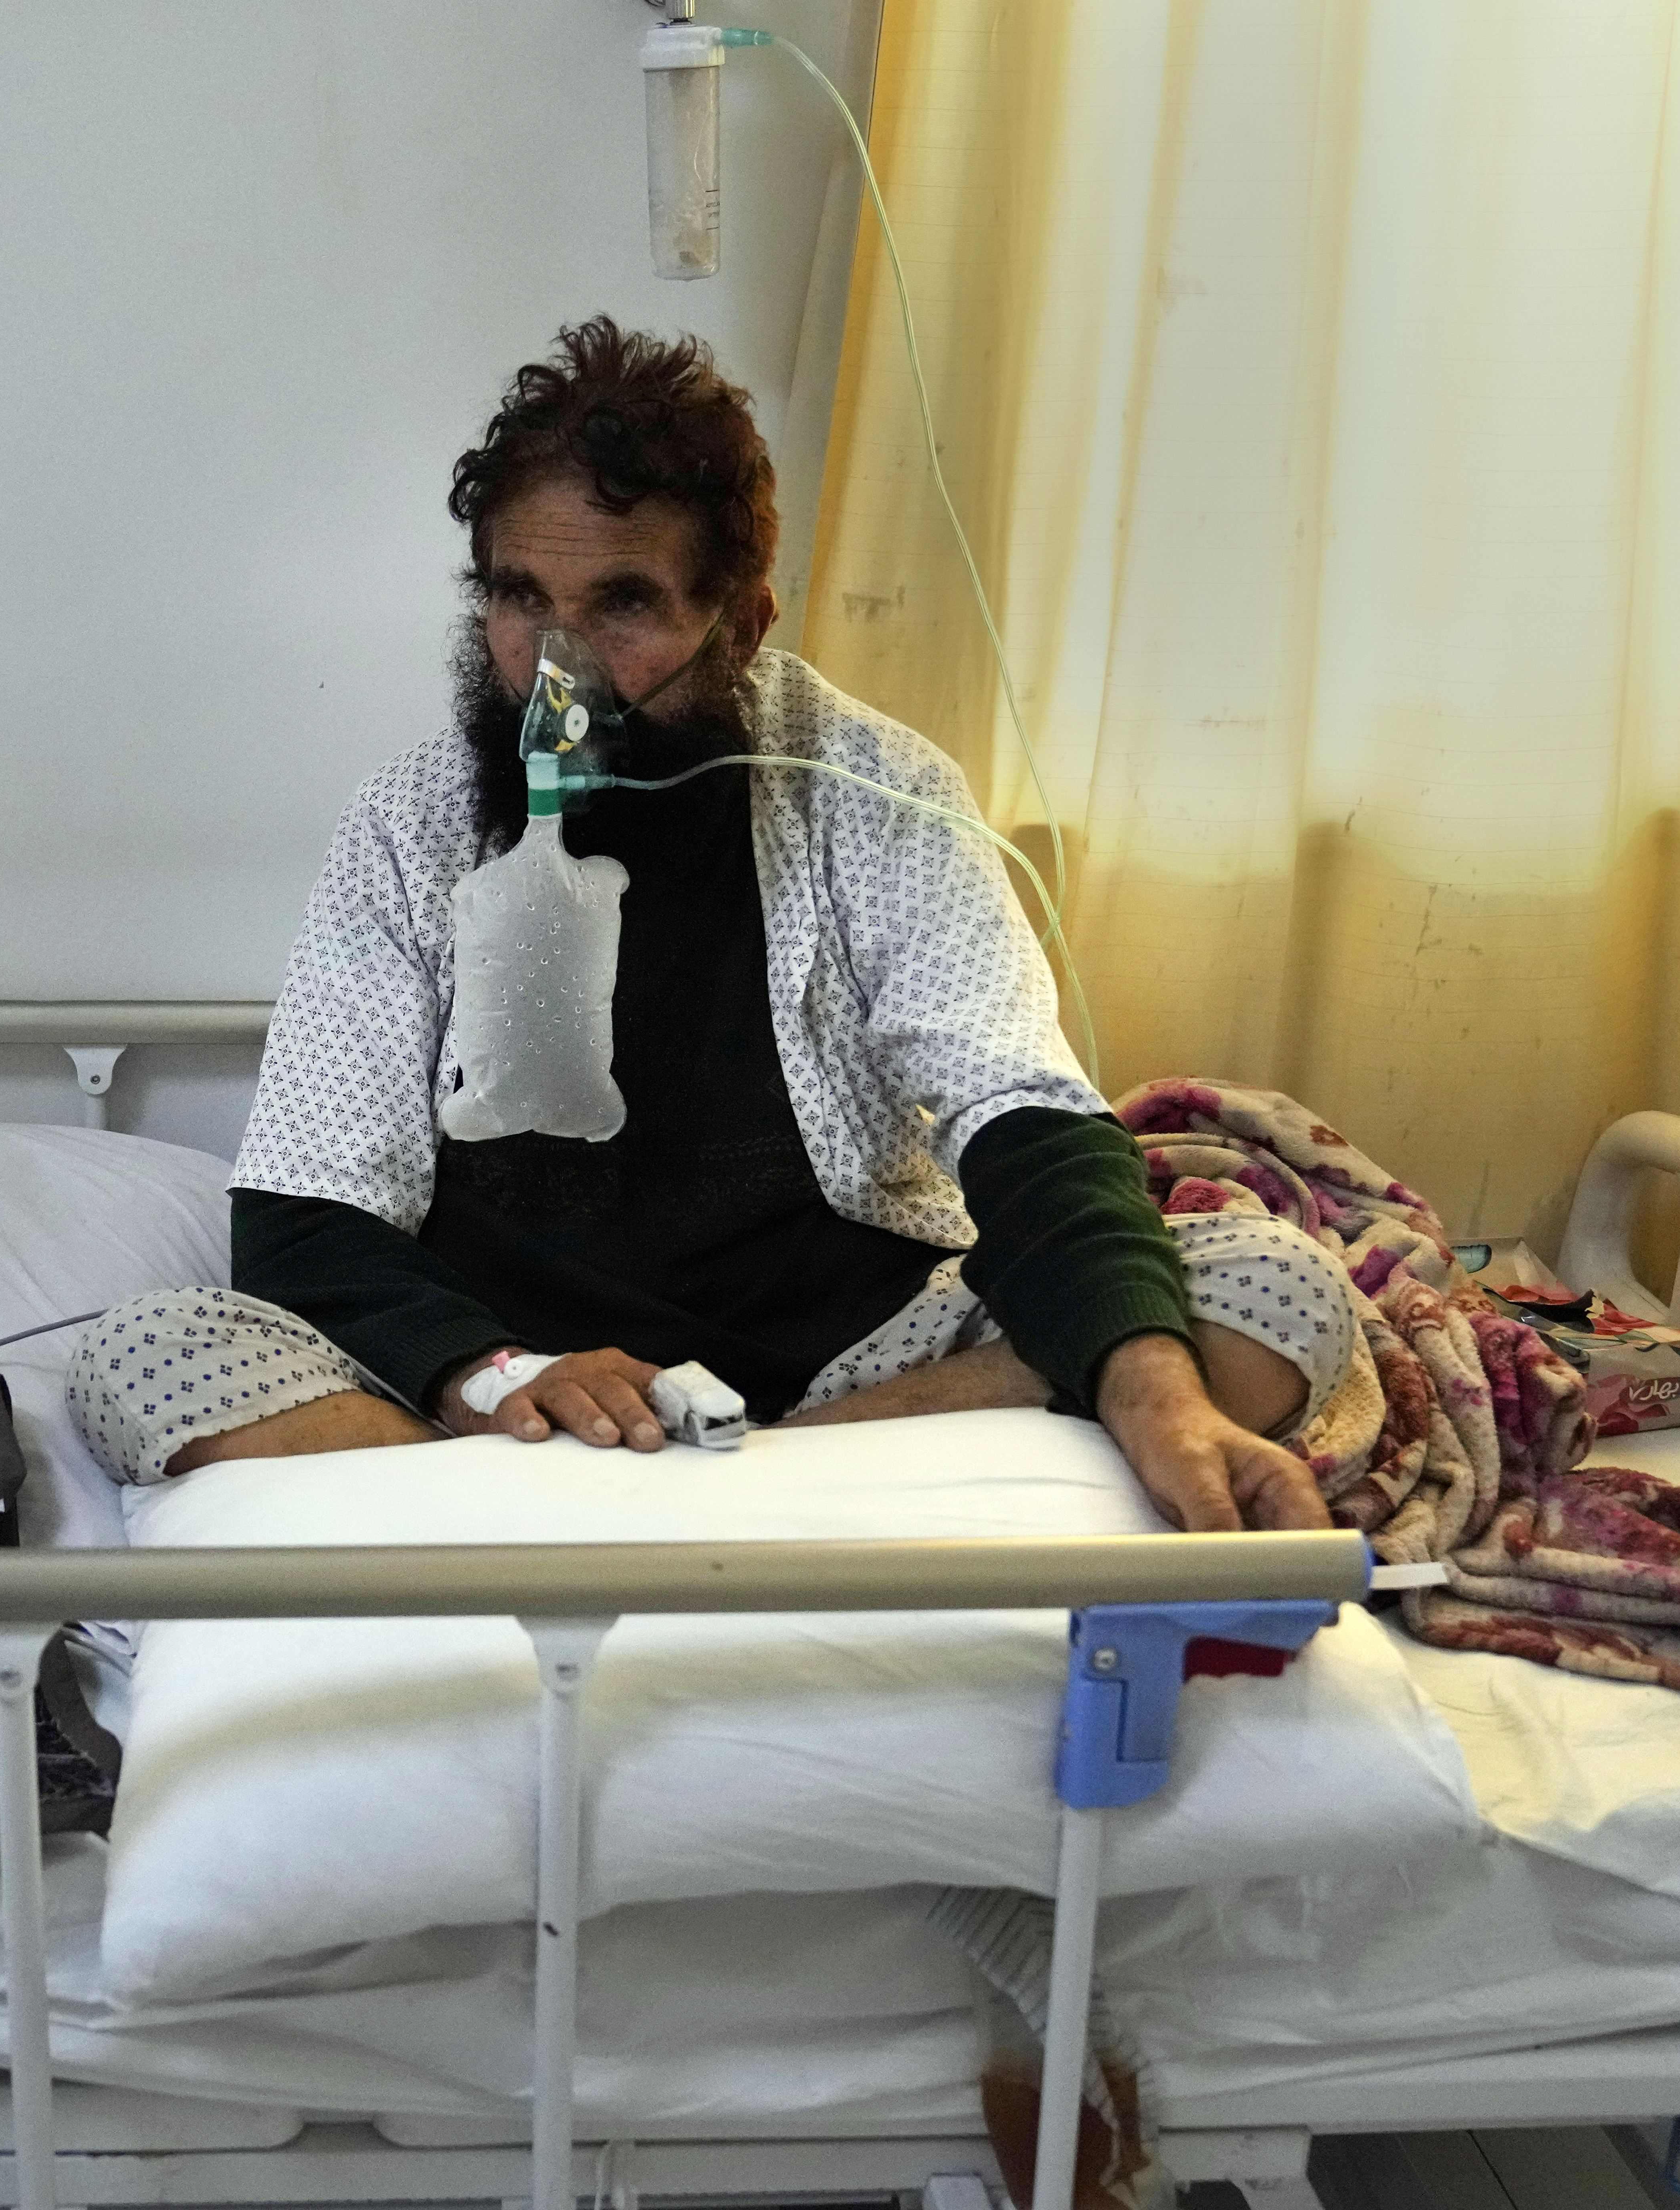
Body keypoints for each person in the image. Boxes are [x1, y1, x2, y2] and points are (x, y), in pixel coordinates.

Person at [70, 318, 1359, 1532]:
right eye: (522, 599)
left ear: (739, 622)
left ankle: (688, 1502)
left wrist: (1158, 1396)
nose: (554, 673)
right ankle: (663, 1507)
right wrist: (494, 1374)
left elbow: (1021, 1115)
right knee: (147, 1357)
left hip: (847, 1365)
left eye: (622, 606)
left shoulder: (875, 796)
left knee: (1270, 1289)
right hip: (513, 1385)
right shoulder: (411, 825)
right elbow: (305, 1214)